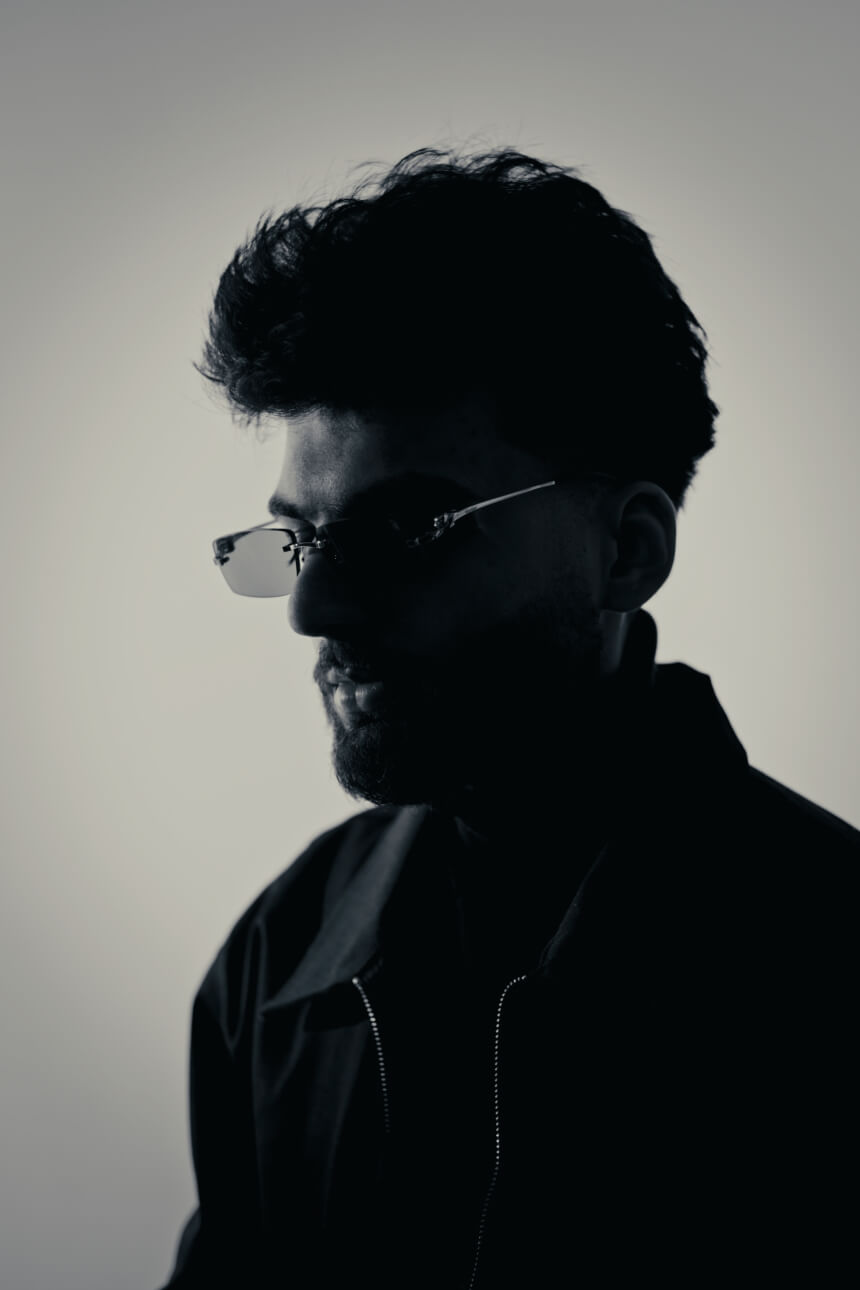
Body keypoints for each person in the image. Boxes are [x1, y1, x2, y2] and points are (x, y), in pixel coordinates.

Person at [159, 147, 857, 1289]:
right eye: (293, 540)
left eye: (403, 531)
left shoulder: (827, 969)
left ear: (625, 549)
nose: (313, 611)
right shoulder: (276, 964)